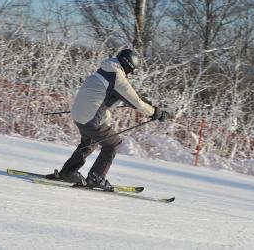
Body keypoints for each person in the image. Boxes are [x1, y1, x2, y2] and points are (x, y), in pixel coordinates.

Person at [46, 49, 169, 191]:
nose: (130, 73)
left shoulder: (104, 70)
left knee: (89, 143)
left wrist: (139, 99)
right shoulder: (117, 77)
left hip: (78, 115)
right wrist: (156, 112)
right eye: (130, 69)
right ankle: (96, 178)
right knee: (113, 143)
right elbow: (136, 102)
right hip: (90, 119)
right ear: (125, 64)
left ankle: (68, 172)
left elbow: (114, 95)